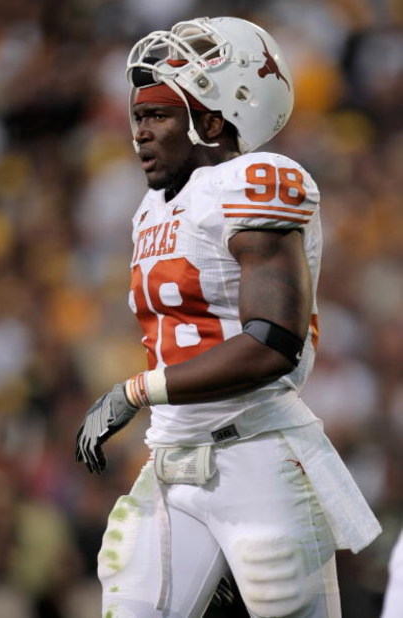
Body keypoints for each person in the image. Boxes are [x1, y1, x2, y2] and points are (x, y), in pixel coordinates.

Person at [75, 16, 382, 618]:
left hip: (259, 457)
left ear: (212, 121)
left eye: (159, 114)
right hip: (171, 461)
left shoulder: (254, 180)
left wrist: (138, 391)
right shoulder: (151, 209)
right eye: (138, 116)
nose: (139, 133)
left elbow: (272, 342)